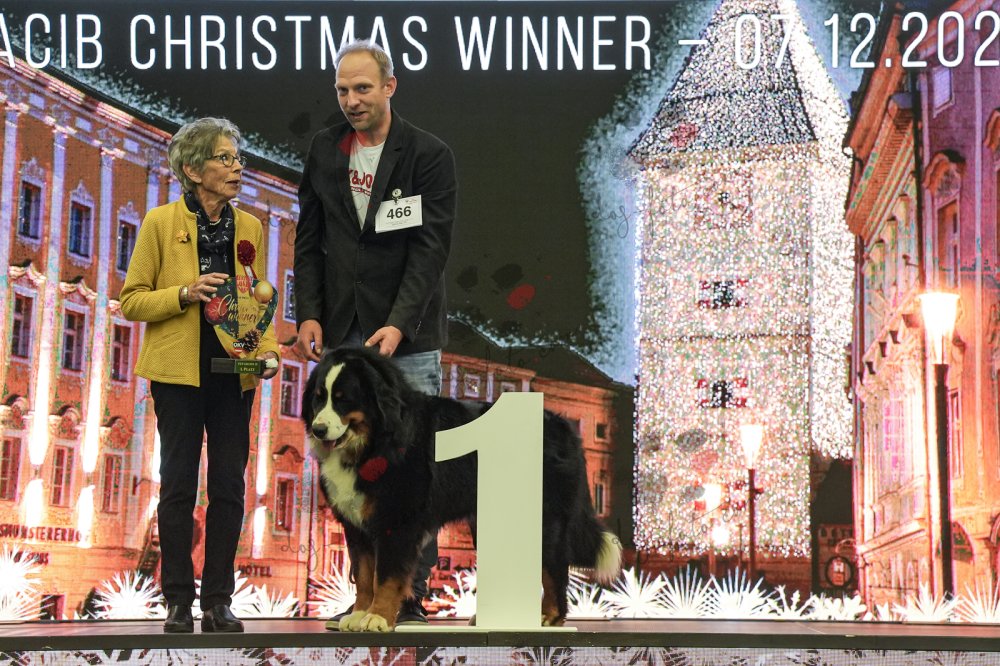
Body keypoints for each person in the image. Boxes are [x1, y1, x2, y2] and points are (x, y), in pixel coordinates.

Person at [294, 39, 458, 629]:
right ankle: (364, 596)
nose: (352, 100)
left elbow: (430, 248)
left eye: (362, 88)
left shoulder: (428, 155)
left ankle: (407, 596)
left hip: (407, 337)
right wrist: (308, 312)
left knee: (414, 476)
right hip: (342, 332)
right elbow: (309, 239)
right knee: (350, 474)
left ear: (390, 87)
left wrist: (398, 322)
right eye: (342, 90)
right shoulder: (323, 149)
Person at [120, 117, 280, 634]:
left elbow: (258, 300)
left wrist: (269, 352)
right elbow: (131, 301)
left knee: (230, 486)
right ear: (192, 169)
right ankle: (176, 601)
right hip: (177, 374)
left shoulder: (251, 227)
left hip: (234, 373)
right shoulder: (160, 222)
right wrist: (184, 294)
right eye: (224, 158)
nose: (237, 168)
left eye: (238, 159)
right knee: (178, 486)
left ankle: (218, 601)